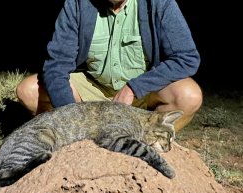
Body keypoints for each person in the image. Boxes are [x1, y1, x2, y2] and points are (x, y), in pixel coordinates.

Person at [16, 0, 202, 132]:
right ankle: (70, 137)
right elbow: (56, 65)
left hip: (142, 93)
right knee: (28, 90)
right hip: (91, 87)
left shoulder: (160, 3)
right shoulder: (77, 4)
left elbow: (187, 58)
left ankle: (144, 140)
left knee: (189, 96)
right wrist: (74, 118)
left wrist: (134, 88)